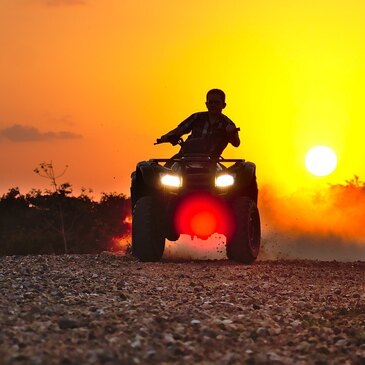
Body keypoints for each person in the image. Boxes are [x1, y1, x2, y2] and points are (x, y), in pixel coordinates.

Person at [159, 89, 240, 159]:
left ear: (224, 105)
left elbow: (236, 143)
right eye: (211, 102)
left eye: (216, 102)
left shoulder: (228, 124)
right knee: (166, 170)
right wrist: (166, 137)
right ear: (206, 104)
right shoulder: (197, 117)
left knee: (229, 175)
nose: (213, 105)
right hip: (186, 158)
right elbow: (180, 129)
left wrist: (231, 133)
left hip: (211, 162)